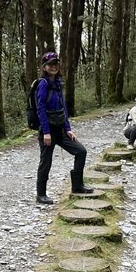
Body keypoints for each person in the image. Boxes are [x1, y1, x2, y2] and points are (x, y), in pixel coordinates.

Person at [35, 51, 93, 205]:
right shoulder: (43, 84)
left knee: (81, 151)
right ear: (45, 67)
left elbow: (63, 107)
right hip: (47, 131)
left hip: (60, 129)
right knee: (45, 162)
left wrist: (68, 128)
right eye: (50, 64)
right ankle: (40, 194)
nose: (54, 67)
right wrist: (46, 132)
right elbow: (40, 109)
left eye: (55, 64)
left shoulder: (58, 83)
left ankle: (78, 186)